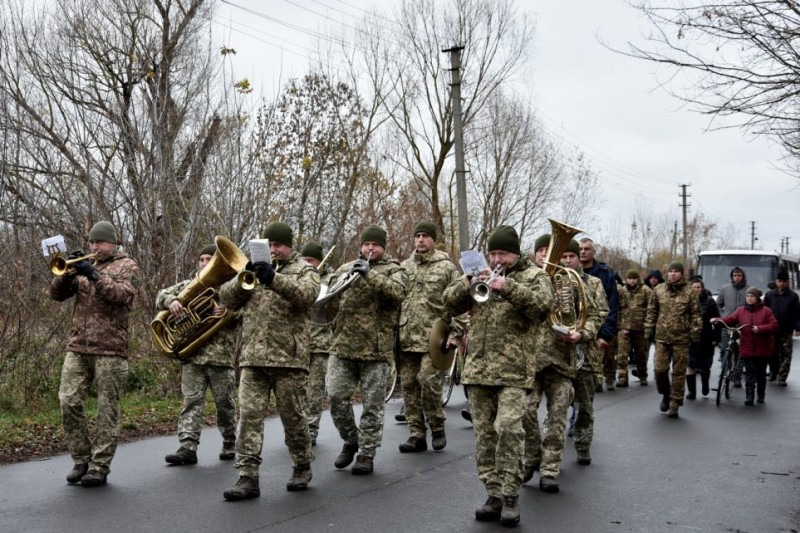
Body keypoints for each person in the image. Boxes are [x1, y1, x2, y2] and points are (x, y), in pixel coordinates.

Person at [443, 225, 554, 527]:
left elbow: (544, 307)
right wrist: (468, 281)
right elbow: (449, 303)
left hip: (514, 371)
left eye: (502, 252)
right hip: (478, 370)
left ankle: (511, 497)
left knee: (508, 429)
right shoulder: (481, 273)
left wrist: (510, 288)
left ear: (516, 252)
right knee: (484, 436)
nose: (496, 258)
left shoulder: (535, 276)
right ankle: (492, 494)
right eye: (492, 252)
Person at [219, 222, 319, 500]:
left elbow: (307, 297)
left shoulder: (305, 270)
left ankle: (301, 465)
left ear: (289, 246)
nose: (273, 249)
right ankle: (247, 476)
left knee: (293, 417)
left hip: (289, 359)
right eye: (269, 245)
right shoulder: (253, 270)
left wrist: (273, 279)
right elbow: (225, 299)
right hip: (252, 357)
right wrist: (246, 274)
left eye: (278, 245)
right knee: (248, 417)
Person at [49, 220, 140, 487]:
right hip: (78, 346)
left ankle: (100, 466)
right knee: (68, 400)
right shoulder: (83, 266)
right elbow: (56, 295)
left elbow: (123, 295)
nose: (94, 246)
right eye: (91, 242)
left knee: (106, 410)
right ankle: (81, 459)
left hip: (110, 349)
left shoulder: (127, 266)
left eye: (99, 242)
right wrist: (67, 273)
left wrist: (95, 275)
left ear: (112, 243)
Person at [523, 236, 602, 494]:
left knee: (558, 419)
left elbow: (593, 316)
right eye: (541, 251)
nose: (545, 256)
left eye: (550, 251)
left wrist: (582, 333)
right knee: (525, 412)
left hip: (561, 360)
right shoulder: (526, 279)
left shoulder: (570, 282)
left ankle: (549, 470)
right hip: (530, 361)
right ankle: (532, 455)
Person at [327, 225, 408, 475]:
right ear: (360, 246)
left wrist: (370, 274)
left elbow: (398, 293)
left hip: (376, 351)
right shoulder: (345, 268)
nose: (370, 248)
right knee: (335, 398)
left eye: (375, 244)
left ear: (383, 247)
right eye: (366, 244)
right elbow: (328, 298)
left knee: (372, 406)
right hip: (342, 347)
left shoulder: (395, 270)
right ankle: (352, 440)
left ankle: (366, 453)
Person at [156, 244, 239, 466]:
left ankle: (230, 442)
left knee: (225, 404)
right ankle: (187, 447)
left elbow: (246, 313)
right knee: (191, 402)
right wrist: (171, 302)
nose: (204, 264)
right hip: (192, 357)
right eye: (201, 260)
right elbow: (161, 295)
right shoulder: (188, 286)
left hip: (220, 358)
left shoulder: (231, 290)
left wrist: (230, 311)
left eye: (209, 260)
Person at [397, 220, 464, 453]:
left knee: (428, 381)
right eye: (417, 236)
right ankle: (416, 434)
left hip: (433, 340)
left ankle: (437, 426)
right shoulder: (404, 266)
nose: (420, 240)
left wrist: (456, 334)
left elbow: (460, 303)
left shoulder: (446, 267)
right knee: (409, 386)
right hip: (406, 338)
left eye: (425, 236)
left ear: (434, 239)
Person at [561, 241, 608, 467]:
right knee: (556, 407)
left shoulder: (594, 282)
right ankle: (550, 453)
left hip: (585, 354)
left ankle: (582, 445)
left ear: (579, 259)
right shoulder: (553, 280)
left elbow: (600, 314)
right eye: (565, 256)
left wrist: (583, 333)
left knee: (584, 406)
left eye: (572, 256)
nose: (568, 260)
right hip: (558, 353)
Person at [644, 261, 702, 418]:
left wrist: (695, 331)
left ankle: (675, 402)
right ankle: (665, 393)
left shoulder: (689, 292)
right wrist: (649, 328)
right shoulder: (659, 290)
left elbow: (696, 314)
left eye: (676, 271)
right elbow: (652, 310)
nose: (673, 274)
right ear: (667, 273)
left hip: (681, 339)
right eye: (670, 271)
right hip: (662, 338)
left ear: (681, 274)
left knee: (678, 372)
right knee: (659, 370)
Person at [712, 287, 779, 405]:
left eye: (752, 296)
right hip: (747, 347)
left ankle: (761, 394)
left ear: (757, 298)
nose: (749, 298)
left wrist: (760, 329)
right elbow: (730, 319)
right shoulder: (741, 310)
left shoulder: (766, 311)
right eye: (748, 296)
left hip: (762, 348)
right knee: (749, 373)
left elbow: (774, 325)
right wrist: (717, 320)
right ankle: (749, 396)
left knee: (760, 373)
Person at [301, 240, 334, 446]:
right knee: (297, 391)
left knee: (314, 391)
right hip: (298, 343)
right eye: (304, 260)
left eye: (311, 260)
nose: (307, 264)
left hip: (320, 344)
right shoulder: (298, 276)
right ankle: (298, 429)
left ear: (319, 261)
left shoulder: (330, 279)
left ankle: (311, 431)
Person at [578, 238, 619, 392]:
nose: (583, 251)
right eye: (580, 248)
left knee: (592, 382)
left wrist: (606, 334)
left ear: (593, 252)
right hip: (575, 332)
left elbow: (612, 305)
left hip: (597, 331)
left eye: (587, 248)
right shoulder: (568, 273)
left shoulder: (605, 274)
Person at [616, 270, 653, 387]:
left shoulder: (646, 291)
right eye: (629, 278)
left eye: (634, 278)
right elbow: (616, 309)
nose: (632, 281)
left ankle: (642, 376)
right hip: (624, 328)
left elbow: (651, 309)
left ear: (638, 279)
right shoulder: (621, 291)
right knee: (622, 355)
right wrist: (619, 326)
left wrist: (648, 326)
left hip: (640, 329)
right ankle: (622, 378)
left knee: (641, 355)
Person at [763, 271, 800, 386]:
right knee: (771, 353)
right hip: (771, 330)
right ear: (777, 282)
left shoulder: (793, 296)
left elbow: (797, 313)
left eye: (785, 282)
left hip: (786, 329)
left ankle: (782, 377)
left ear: (788, 282)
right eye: (780, 281)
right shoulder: (770, 295)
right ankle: (773, 372)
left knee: (786, 354)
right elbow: (764, 311)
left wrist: (798, 328)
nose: (782, 284)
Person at [686, 277, 721, 399]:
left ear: (702, 288)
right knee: (689, 365)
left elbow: (717, 319)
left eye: (698, 287)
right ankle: (691, 391)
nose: (696, 290)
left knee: (704, 366)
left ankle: (705, 384)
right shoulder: (686, 300)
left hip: (705, 337)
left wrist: (716, 337)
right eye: (694, 287)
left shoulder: (710, 301)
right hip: (689, 338)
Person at [716, 267, 749, 387]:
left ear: (743, 276)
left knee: (740, 352)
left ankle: (737, 376)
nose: (737, 278)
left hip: (742, 326)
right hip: (727, 324)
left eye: (739, 275)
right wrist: (722, 315)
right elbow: (718, 304)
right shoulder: (725, 289)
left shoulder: (749, 290)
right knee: (725, 349)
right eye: (735, 275)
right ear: (732, 277)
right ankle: (725, 371)